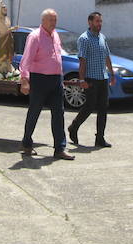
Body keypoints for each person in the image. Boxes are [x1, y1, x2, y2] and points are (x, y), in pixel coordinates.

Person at [18, 9, 74, 160]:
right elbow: (26, 59)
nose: (54, 23)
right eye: (51, 20)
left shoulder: (55, 35)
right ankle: (27, 143)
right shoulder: (35, 36)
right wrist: (24, 80)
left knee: (58, 113)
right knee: (34, 111)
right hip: (39, 79)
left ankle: (59, 148)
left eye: (55, 20)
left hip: (55, 79)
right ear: (43, 21)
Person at [67, 11, 115, 148]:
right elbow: (82, 60)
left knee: (103, 108)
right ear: (90, 22)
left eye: (100, 21)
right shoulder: (84, 39)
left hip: (103, 78)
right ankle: (73, 127)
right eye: (97, 21)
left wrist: (111, 74)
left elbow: (107, 57)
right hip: (91, 78)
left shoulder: (102, 38)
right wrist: (81, 80)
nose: (99, 24)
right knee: (89, 106)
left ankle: (100, 138)